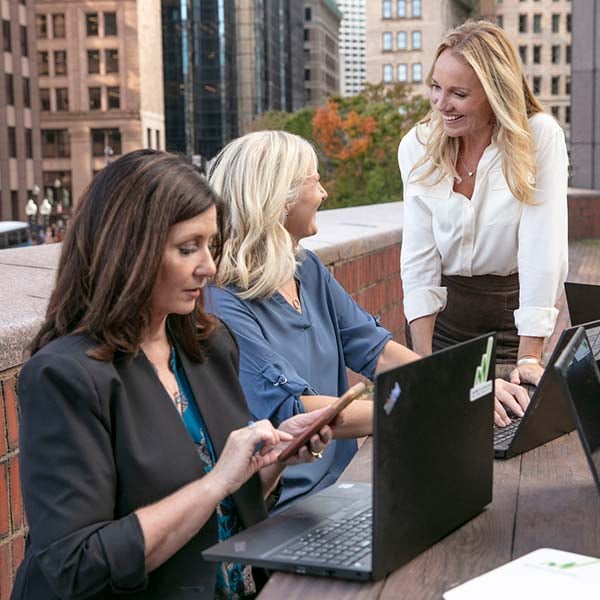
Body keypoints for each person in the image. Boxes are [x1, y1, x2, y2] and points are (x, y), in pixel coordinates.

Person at [12, 149, 335, 600]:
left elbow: (230, 506)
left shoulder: (208, 346)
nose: (208, 266)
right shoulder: (63, 377)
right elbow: (76, 565)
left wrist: (274, 457)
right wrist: (216, 481)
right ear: (130, 251)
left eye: (212, 246)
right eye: (188, 249)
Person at [205, 130, 419, 510]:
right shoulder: (224, 302)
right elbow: (297, 410)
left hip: (350, 483)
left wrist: (456, 387)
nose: (323, 195)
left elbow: (377, 352)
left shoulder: (307, 268)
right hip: (293, 507)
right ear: (277, 197)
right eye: (314, 180)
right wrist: (418, 410)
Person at [398, 20, 569, 426]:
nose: (441, 104)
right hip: (442, 324)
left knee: (513, 431)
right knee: (443, 430)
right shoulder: (417, 145)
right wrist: (425, 368)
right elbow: (419, 261)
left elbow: (542, 249)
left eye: (459, 93)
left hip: (512, 323)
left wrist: (530, 355)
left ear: (495, 95)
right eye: (435, 87)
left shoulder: (538, 137)